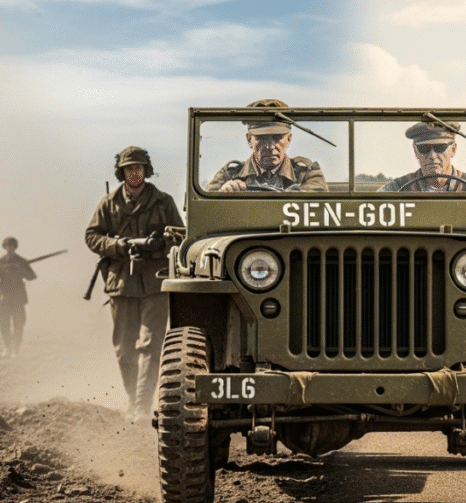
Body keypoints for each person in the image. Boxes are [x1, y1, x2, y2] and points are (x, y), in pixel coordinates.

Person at [85, 146, 183, 423]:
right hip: (121, 282)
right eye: (129, 168)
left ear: (146, 170)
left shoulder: (163, 202)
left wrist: (161, 245)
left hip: (156, 281)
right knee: (124, 348)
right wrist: (117, 245)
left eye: (139, 167)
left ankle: (142, 404)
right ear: (121, 172)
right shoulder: (108, 203)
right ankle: (132, 399)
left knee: (152, 346)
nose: (134, 172)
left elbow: (181, 236)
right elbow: (92, 236)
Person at [205, 99, 327, 192]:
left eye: (277, 137)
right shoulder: (229, 174)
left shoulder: (306, 172)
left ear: (289, 139)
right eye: (261, 138)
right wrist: (222, 194)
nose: (269, 146)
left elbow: (319, 205)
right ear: (249, 140)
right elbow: (203, 208)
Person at [379, 122, 466, 193]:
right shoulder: (397, 188)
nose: (432, 156)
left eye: (440, 147)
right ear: (415, 151)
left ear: (453, 149)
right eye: (424, 149)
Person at [0, 237, 36, 358]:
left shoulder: (21, 261)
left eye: (12, 245)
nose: (10, 248)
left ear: (15, 247)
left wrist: (20, 269)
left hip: (18, 296)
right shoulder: (0, 261)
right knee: (3, 323)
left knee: (19, 323)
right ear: (4, 247)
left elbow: (32, 276)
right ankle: (7, 347)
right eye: (7, 245)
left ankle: (16, 350)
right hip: (4, 296)